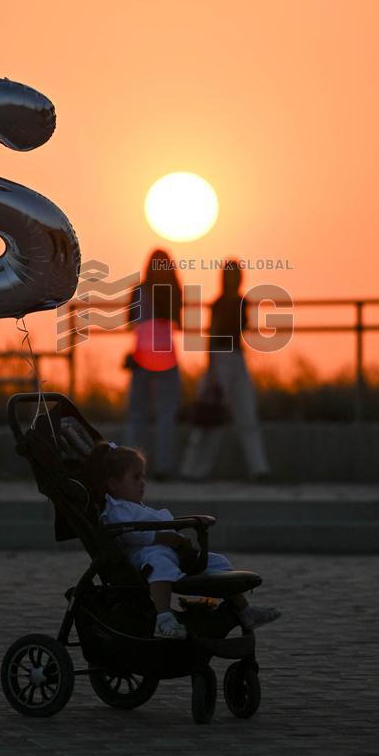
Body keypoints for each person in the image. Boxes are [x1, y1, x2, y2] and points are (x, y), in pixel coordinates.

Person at [86, 440, 281, 639]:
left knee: (217, 562)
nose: (142, 482)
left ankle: (244, 611)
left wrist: (180, 533)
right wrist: (165, 537)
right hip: (142, 555)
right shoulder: (117, 509)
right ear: (114, 484)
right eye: (136, 478)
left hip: (168, 550)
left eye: (142, 476)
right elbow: (129, 533)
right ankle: (163, 618)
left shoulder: (134, 506)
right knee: (159, 562)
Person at [180, 260, 271, 480]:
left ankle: (259, 469)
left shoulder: (242, 301)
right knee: (208, 420)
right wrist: (211, 373)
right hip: (220, 360)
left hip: (237, 359)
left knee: (246, 414)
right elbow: (212, 338)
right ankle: (191, 471)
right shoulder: (219, 303)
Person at [124, 248, 183, 478]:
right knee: (166, 414)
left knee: (137, 413)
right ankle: (164, 466)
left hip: (142, 355)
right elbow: (178, 322)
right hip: (166, 355)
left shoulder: (139, 291)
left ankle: (132, 467)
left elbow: (130, 321)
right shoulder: (173, 291)